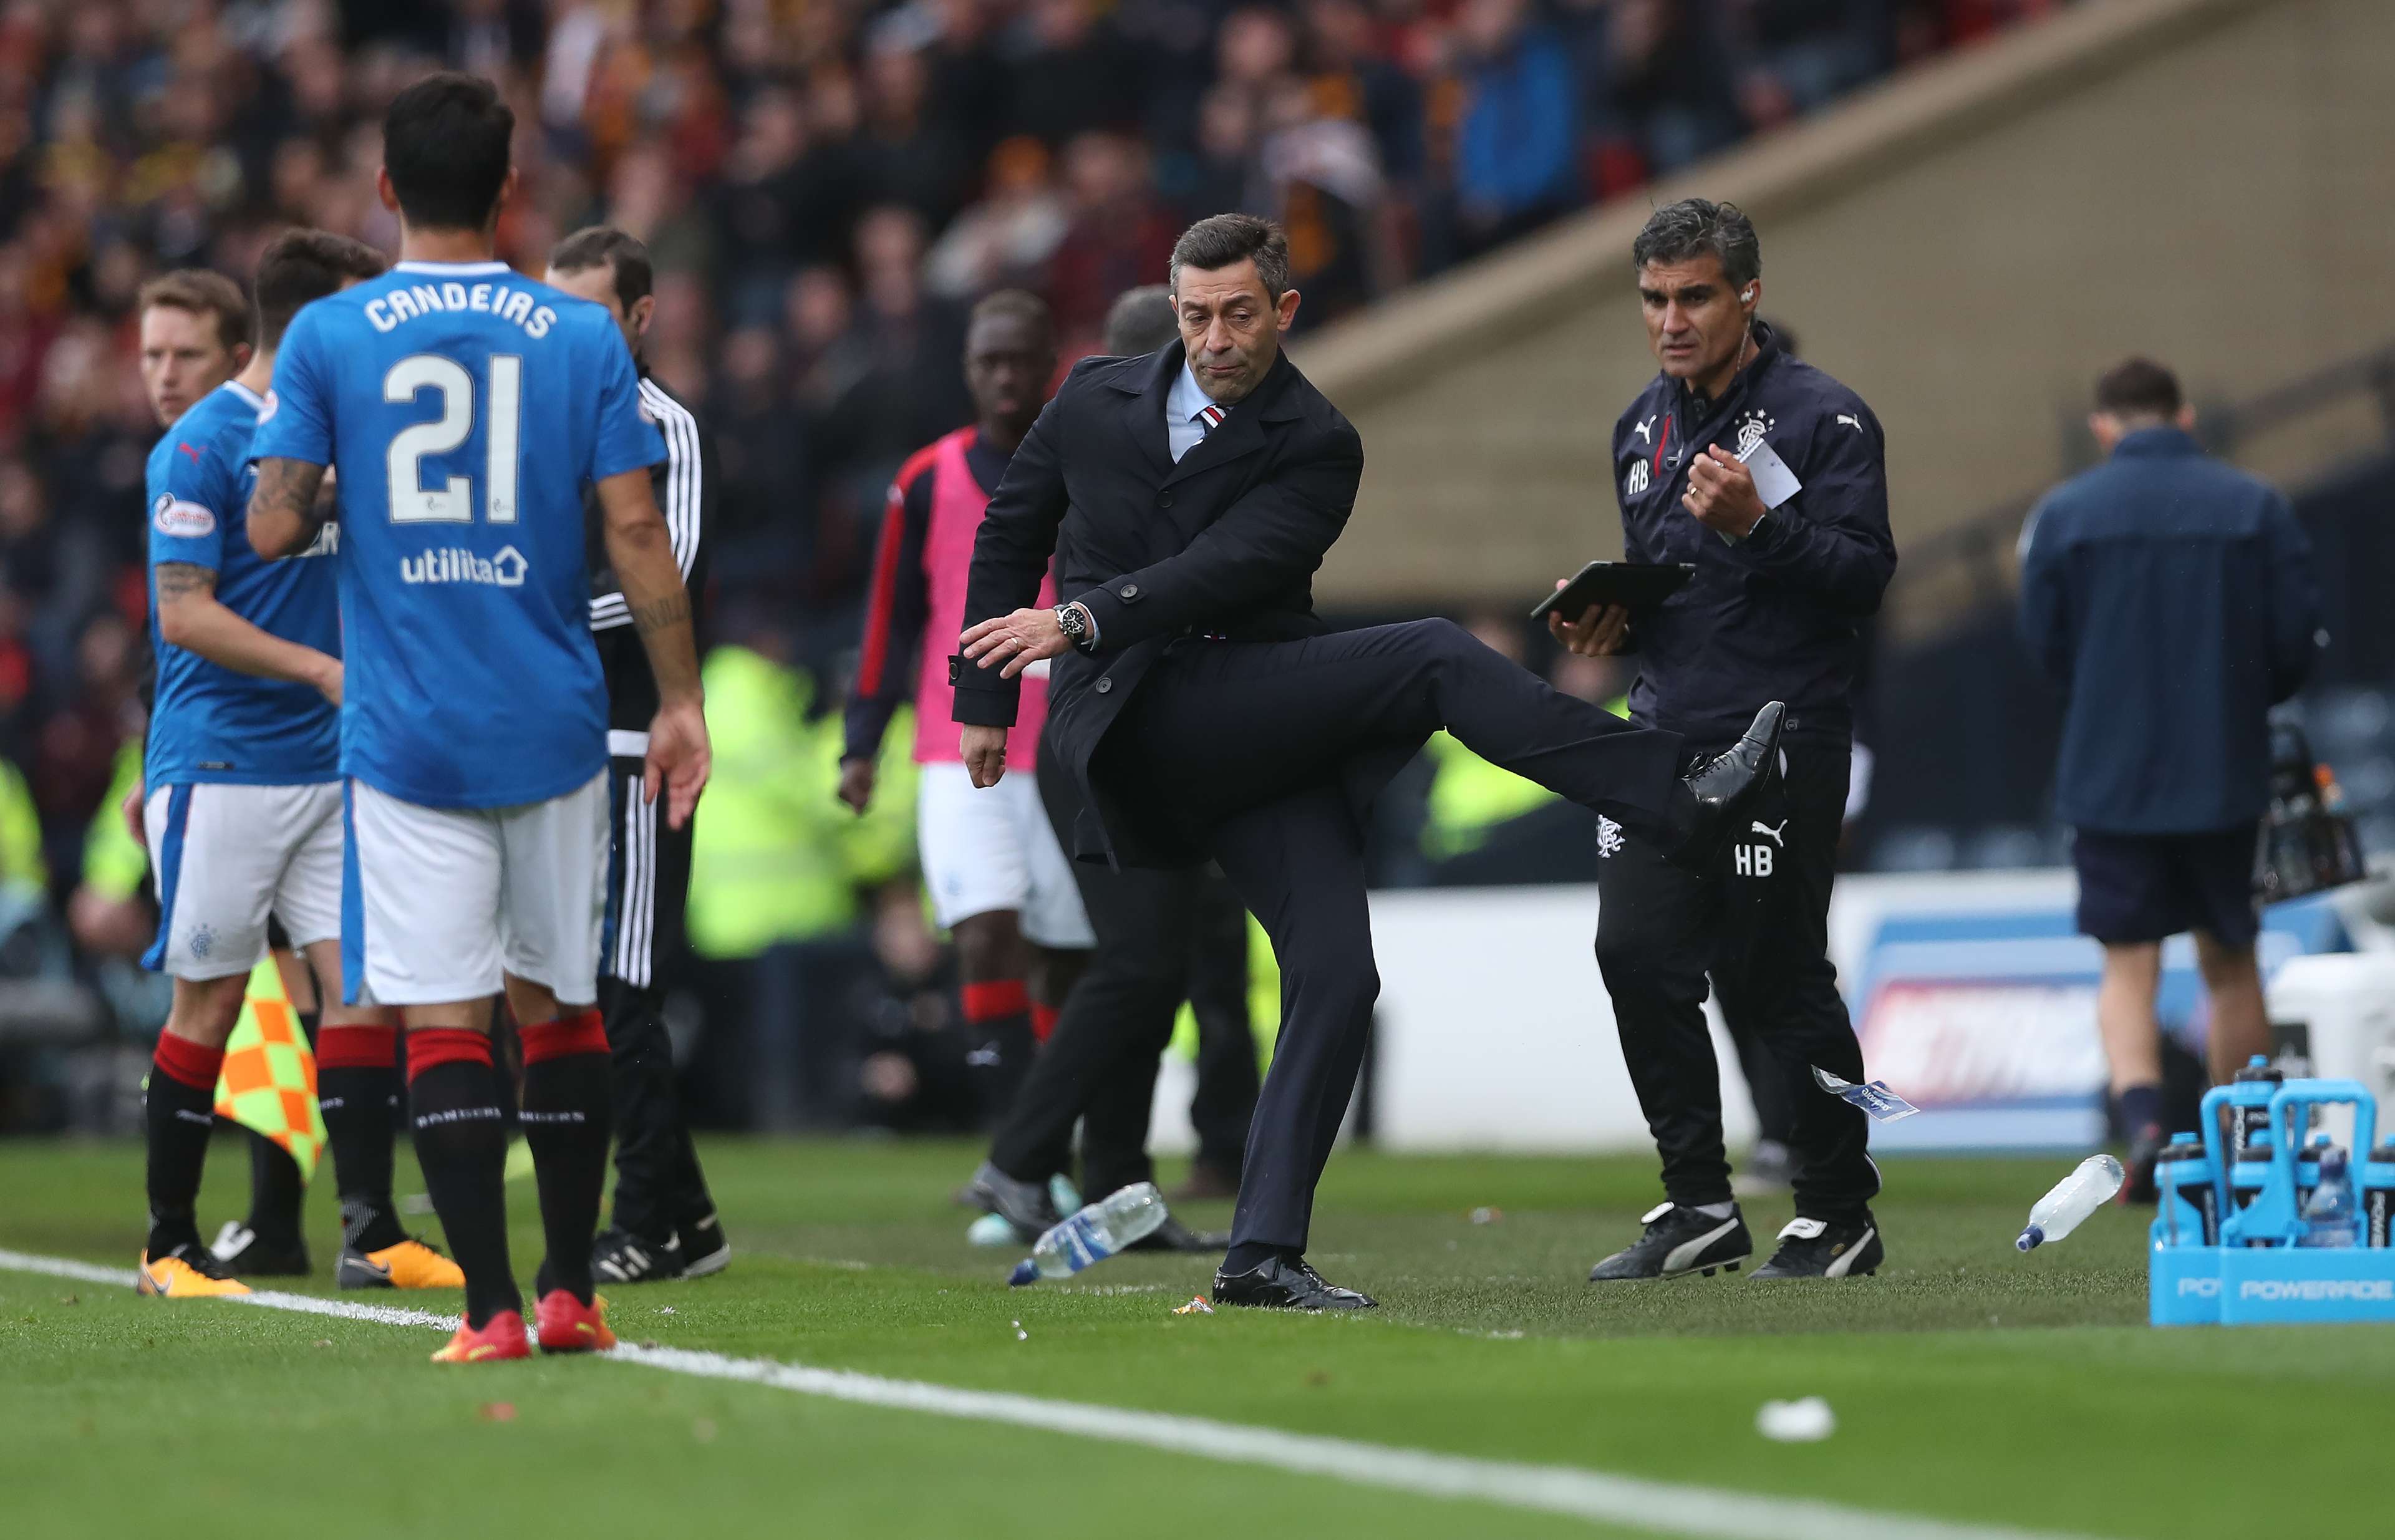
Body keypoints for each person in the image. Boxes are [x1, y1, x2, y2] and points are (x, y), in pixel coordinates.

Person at [955, 213, 1778, 1309]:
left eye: (1240, 315)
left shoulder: (1318, 440)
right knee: (1438, 654)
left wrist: (1084, 616)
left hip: (1250, 714)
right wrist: (983, 698)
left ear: (1284, 311)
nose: (1215, 338)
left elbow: (1230, 567)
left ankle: (1260, 1256)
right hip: (1134, 716)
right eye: (1196, 315)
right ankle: (1675, 792)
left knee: (1339, 975)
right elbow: (1009, 532)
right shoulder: (1092, 398)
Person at [248, 72, 709, 1364]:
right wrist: (678, 701)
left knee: (444, 1016)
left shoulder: (337, 336)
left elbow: (276, 521)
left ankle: (490, 1309)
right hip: (556, 720)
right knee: (560, 1007)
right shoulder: (577, 336)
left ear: (385, 188)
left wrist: (350, 482)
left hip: (407, 731)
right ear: (510, 190)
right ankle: (573, 1291)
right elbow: (632, 529)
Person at [1552, 199, 1894, 1282]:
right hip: (1664, 731)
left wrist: (1764, 524)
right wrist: (1610, 615)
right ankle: (1697, 1200)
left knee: (1776, 972)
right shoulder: (1637, 431)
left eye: (1694, 295)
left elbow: (1865, 577)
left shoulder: (1824, 421)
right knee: (1634, 954)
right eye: (1654, 299)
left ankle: (1840, 1209)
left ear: (1748, 294)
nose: (1671, 319)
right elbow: (1672, 587)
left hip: (1784, 729)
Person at [130, 249, 462, 1299]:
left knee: (356, 988)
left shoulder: (352, 438)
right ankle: (167, 1246)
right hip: (223, 762)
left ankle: (370, 1229)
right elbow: (184, 610)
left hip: (339, 763)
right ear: (314, 325)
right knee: (212, 999)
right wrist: (320, 666)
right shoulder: (201, 444)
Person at [960, 284, 1257, 1251]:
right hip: (1109, 736)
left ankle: (1116, 1194)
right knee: (1135, 962)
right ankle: (1019, 1159)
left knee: (1153, 965)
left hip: (1135, 736)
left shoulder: (1139, 446)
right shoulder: (1146, 455)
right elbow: (1014, 551)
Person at [2018, 356, 2319, 1201]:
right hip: (2224, 770)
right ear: (2184, 416)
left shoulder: (2065, 515)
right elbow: (2294, 645)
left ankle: (2146, 1126)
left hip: (2110, 775)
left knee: (2128, 963)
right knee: (2231, 960)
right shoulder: (2253, 505)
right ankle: (2244, 1146)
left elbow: (2046, 649)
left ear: (2103, 426)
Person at [840, 289, 1093, 1121]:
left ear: (1050, 363)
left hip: (1065, 751)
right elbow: (892, 619)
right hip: (960, 749)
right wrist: (861, 742)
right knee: (985, 933)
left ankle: (1050, 1143)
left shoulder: (1090, 471)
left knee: (1059, 954)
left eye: (1023, 359)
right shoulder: (925, 479)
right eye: (991, 361)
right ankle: (1011, 1138)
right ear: (968, 370)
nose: (1007, 376)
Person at [544, 226, 730, 1286]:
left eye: (593, 315)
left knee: (624, 989)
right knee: (576, 988)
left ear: (642, 317)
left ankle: (647, 1223)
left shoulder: (665, 427)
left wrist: (532, 621)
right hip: (557, 744)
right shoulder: (545, 425)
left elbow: (670, 568)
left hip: (635, 742)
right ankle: (688, 1217)